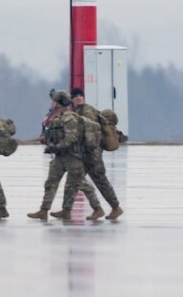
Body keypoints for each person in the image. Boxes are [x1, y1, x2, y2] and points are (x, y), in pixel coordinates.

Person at [28, 91, 87, 221]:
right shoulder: (56, 117)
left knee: (73, 186)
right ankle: (44, 210)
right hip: (60, 157)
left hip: (72, 157)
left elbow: (71, 138)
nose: (52, 103)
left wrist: (56, 147)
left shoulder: (69, 118)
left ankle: (68, 210)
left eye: (54, 101)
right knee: (51, 183)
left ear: (59, 103)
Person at [71, 88, 123, 221]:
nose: (77, 98)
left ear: (84, 97)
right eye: (75, 96)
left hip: (93, 153)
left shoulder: (88, 111)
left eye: (80, 95)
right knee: (76, 180)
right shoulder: (77, 111)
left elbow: (89, 129)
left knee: (100, 181)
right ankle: (69, 209)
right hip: (86, 153)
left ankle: (113, 207)